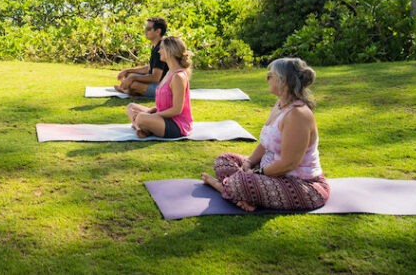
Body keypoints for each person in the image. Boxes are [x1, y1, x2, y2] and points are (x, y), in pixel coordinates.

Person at [202, 57, 329, 212]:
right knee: (224, 160)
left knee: (242, 182)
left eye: (271, 76)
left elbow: (288, 164)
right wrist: (248, 163)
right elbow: (265, 143)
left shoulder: (298, 115)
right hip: (268, 174)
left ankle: (222, 188)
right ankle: (247, 196)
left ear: (285, 81)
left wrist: (257, 173)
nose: (266, 79)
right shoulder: (280, 105)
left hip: (302, 185)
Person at [125, 35, 193, 138]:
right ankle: (141, 128)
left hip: (176, 125)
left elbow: (177, 110)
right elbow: (168, 103)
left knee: (141, 117)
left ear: (170, 51)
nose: (159, 51)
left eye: (161, 48)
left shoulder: (178, 77)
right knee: (131, 107)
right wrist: (154, 110)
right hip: (163, 117)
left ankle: (142, 126)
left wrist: (154, 115)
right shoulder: (169, 72)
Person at [115, 17, 168, 96]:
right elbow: (149, 68)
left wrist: (133, 78)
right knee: (129, 74)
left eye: (148, 28)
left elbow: (155, 77)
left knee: (133, 84)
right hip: (157, 82)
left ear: (158, 31)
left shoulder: (160, 49)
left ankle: (128, 91)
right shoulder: (155, 46)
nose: (145, 31)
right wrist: (128, 70)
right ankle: (130, 90)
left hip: (163, 88)